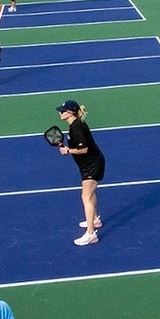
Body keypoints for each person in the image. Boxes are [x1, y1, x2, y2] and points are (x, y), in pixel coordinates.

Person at [56, 100, 105, 245]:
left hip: (93, 164)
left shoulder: (77, 127)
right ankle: (95, 220)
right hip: (87, 165)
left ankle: (91, 234)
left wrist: (68, 150)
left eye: (63, 111)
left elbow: (84, 149)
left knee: (86, 196)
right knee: (90, 194)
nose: (60, 113)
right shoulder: (74, 126)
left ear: (70, 113)